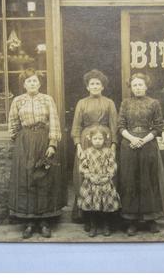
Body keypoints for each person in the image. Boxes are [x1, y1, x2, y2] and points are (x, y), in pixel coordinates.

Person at [8, 68, 65, 239]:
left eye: (34, 81)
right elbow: (13, 123)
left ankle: (44, 221)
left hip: (43, 140)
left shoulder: (47, 100)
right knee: (26, 179)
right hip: (25, 142)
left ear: (39, 83)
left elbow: (54, 122)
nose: (32, 84)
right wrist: (18, 141)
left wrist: (52, 144)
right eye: (28, 81)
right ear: (23, 85)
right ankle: (29, 222)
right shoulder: (18, 101)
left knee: (44, 178)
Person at [117, 73, 164, 236]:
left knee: (148, 180)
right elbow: (120, 126)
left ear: (146, 86)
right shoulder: (125, 103)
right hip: (129, 145)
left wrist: (143, 140)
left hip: (148, 146)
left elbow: (158, 127)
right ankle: (131, 221)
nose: (138, 88)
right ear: (131, 88)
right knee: (130, 181)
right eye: (135, 85)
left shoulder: (154, 103)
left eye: (140, 85)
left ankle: (150, 219)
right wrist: (133, 139)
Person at [71, 69, 118, 230]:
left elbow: (114, 125)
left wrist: (113, 144)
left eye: (98, 83)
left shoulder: (109, 103)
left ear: (103, 86)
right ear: (87, 87)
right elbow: (76, 125)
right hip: (86, 140)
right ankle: (87, 215)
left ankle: (106, 215)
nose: (95, 86)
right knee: (85, 175)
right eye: (92, 84)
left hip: (104, 139)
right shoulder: (81, 103)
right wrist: (78, 144)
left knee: (105, 172)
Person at [77, 126, 121, 237]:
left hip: (105, 182)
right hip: (91, 183)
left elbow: (113, 166)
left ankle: (106, 225)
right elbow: (83, 167)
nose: (97, 141)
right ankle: (93, 226)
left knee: (105, 205)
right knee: (92, 206)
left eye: (100, 139)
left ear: (104, 139)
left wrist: (108, 176)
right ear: (90, 139)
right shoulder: (87, 152)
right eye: (95, 139)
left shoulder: (108, 152)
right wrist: (89, 176)